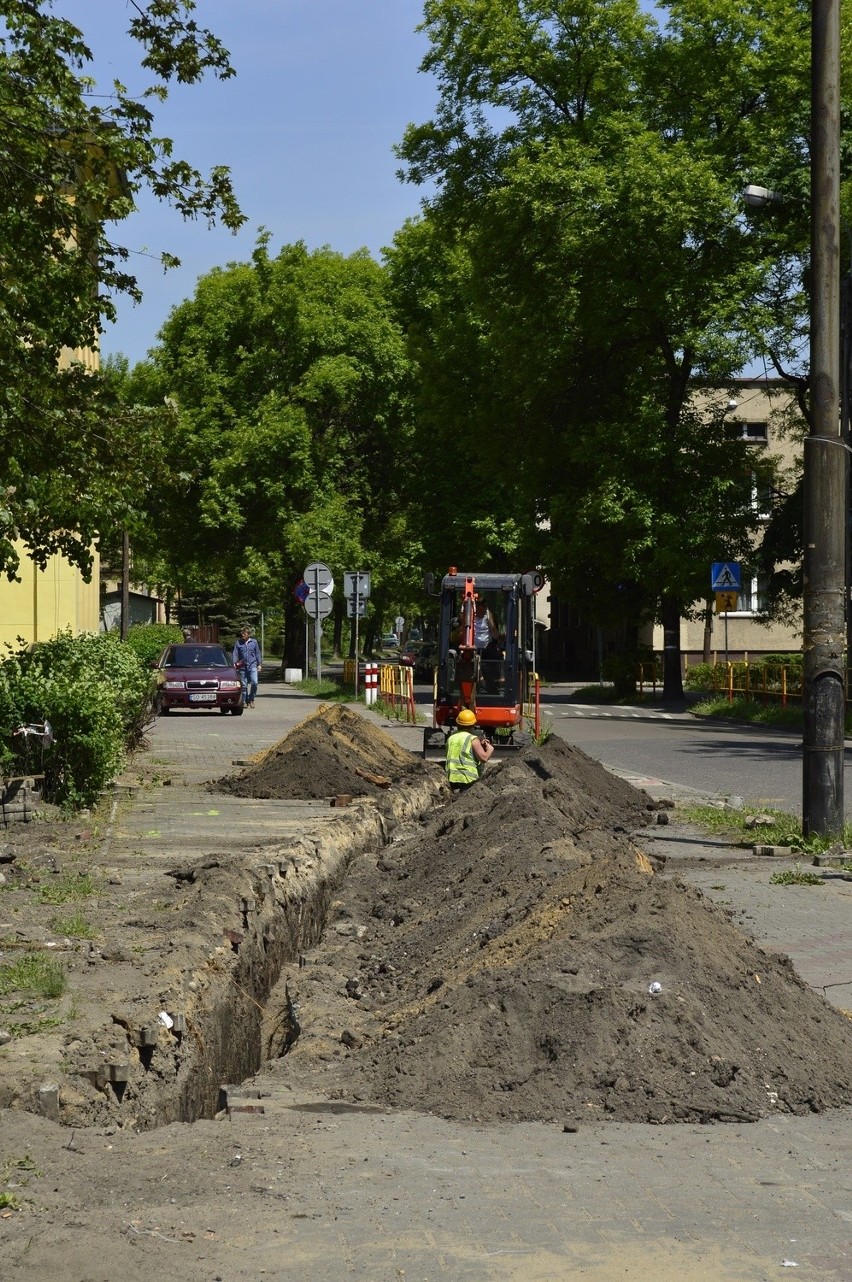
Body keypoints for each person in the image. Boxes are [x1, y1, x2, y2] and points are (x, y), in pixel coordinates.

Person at [445, 708, 494, 791]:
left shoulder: (451, 738)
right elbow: (484, 758)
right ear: (473, 724)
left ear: (458, 723)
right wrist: (490, 749)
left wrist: (479, 744)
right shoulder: (472, 739)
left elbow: (461, 750)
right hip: (468, 779)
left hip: (451, 779)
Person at [232, 626, 262, 707]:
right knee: (244, 685)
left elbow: (258, 653)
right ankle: (245, 701)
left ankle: (251, 699)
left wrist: (259, 664)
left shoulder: (254, 642)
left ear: (248, 634)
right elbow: (235, 654)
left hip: (252, 665)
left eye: (244, 634)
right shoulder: (238, 643)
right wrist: (234, 664)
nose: (242, 635)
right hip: (242, 666)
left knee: (254, 682)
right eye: (242, 633)